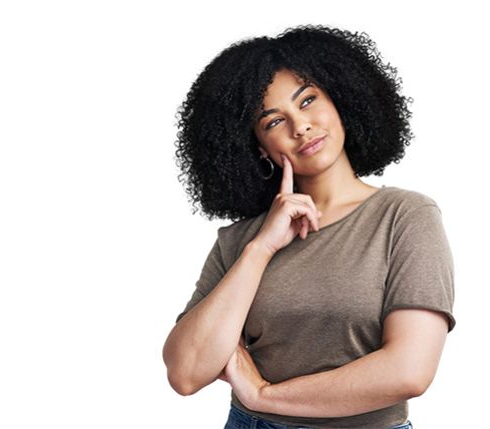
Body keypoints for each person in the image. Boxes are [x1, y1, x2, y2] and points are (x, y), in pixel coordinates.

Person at [162, 24, 455, 429]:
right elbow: (186, 371)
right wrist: (262, 248)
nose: (299, 126)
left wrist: (264, 395)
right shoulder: (242, 241)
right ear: (260, 148)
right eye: (273, 121)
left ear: (341, 101)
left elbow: (409, 370)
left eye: (308, 100)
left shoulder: (404, 216)